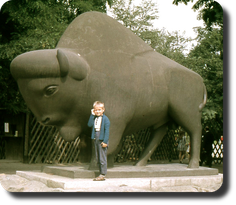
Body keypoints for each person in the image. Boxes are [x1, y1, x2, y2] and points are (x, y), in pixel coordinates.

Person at [87, 101, 110, 181]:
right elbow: (89, 125)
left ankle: (103, 174)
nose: (98, 111)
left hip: (102, 139)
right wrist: (92, 115)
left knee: (102, 158)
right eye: (96, 110)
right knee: (97, 157)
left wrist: (105, 142)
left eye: (99, 110)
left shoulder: (106, 119)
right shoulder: (94, 118)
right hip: (96, 138)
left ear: (103, 110)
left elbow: (107, 132)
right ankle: (100, 173)